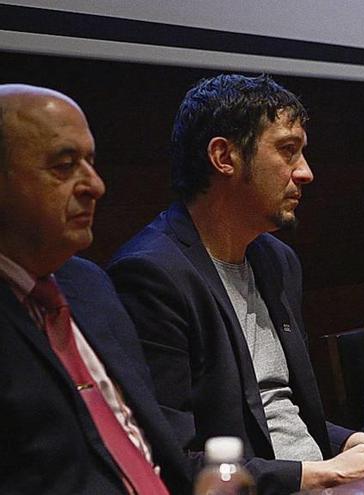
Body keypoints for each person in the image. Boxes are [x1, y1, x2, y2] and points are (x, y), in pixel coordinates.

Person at [107, 74, 364, 494]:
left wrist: (363, 443)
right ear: (223, 156)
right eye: (288, 151)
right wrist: (322, 473)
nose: (306, 173)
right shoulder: (151, 275)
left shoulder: (276, 260)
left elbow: (277, 413)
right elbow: (173, 458)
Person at [0, 84, 192, 494]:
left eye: (90, 162)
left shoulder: (90, 285)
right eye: (65, 166)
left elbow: (154, 441)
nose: (96, 185)